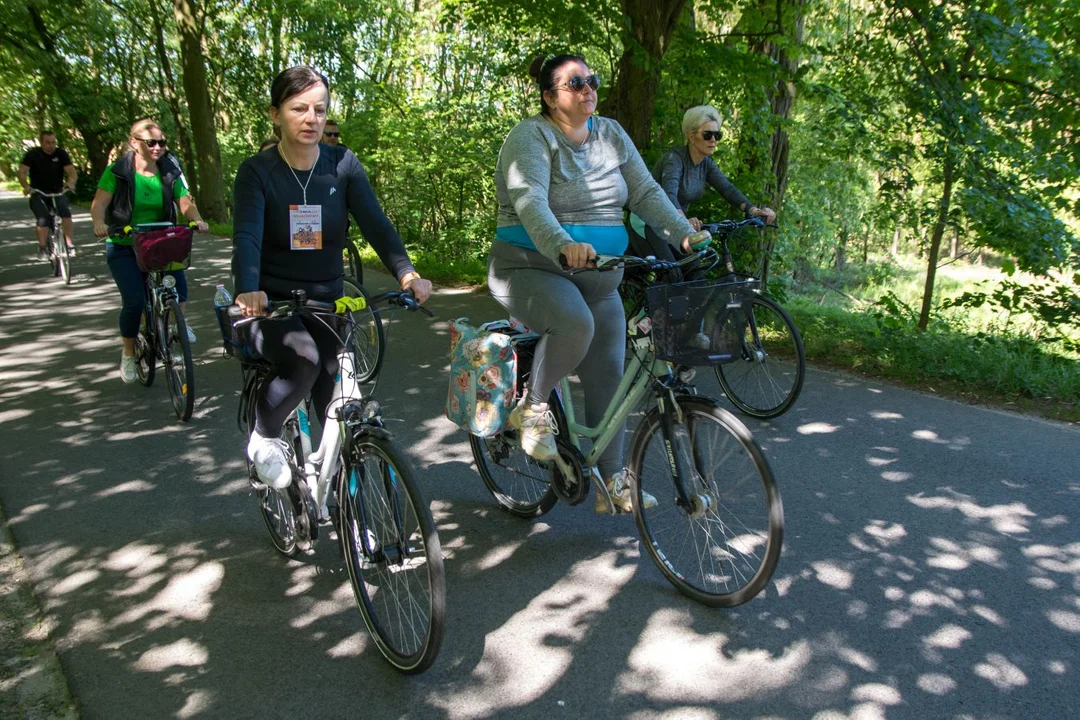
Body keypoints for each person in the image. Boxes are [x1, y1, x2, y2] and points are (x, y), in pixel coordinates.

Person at [490, 53, 700, 514]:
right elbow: (529, 200)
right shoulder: (532, 137)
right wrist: (562, 243)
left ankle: (613, 482)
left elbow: (645, 192)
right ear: (549, 97)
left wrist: (682, 232)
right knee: (574, 323)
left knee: (610, 374)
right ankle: (533, 407)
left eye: (592, 80)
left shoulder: (610, 134)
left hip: (601, 278)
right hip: (531, 269)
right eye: (575, 83)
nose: (588, 89)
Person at [232, 66, 431, 489]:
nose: (311, 119)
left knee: (338, 412)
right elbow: (247, 234)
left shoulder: (342, 164)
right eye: (299, 108)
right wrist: (249, 288)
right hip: (273, 306)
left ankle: (350, 514)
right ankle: (264, 438)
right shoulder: (258, 172)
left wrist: (406, 272)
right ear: (276, 114)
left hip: (328, 303)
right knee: (301, 357)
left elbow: (376, 223)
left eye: (319, 110)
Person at [91, 119, 209, 383]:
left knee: (178, 286)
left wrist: (197, 218)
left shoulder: (169, 170)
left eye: (162, 143)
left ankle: (176, 325)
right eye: (151, 142)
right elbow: (99, 204)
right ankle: (129, 353)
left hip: (158, 242)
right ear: (134, 142)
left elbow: (185, 202)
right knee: (134, 301)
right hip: (124, 244)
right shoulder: (117, 171)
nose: (158, 147)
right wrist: (100, 223)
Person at [628, 105, 776, 261]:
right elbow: (668, 194)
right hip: (648, 221)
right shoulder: (674, 160)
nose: (713, 140)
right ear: (691, 137)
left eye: (717, 135)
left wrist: (754, 211)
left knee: (696, 270)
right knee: (672, 273)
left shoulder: (706, 164)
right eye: (707, 135)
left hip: (676, 225)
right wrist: (684, 220)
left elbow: (727, 189)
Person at [18, 131, 78, 259]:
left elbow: (72, 173)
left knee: (66, 213)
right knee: (43, 219)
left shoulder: (61, 154)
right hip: (38, 193)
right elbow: (22, 172)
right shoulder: (33, 154)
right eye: (48, 143)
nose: (51, 145)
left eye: (53, 142)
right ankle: (42, 248)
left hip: (57, 192)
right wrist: (26, 186)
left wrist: (71, 183)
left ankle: (69, 244)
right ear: (41, 142)